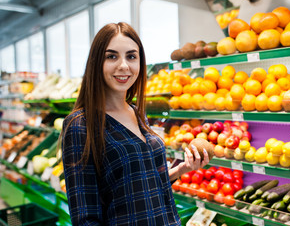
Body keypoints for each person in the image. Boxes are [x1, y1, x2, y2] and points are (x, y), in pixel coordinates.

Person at [61, 22, 209, 225]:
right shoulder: (80, 125)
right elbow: (85, 217)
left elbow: (142, 183)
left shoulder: (136, 113)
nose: (123, 65)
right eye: (111, 56)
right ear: (96, 62)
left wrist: (182, 169)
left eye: (131, 56)